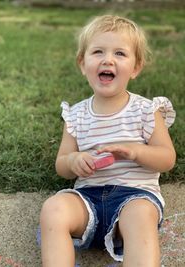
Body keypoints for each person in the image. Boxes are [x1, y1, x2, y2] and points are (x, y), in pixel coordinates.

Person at [39, 15, 176, 267]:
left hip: (134, 196)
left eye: (120, 54)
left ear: (136, 67)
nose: (108, 59)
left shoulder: (146, 110)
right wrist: (75, 160)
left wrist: (136, 152)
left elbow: (167, 158)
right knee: (53, 208)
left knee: (140, 216)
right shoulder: (76, 115)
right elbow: (61, 164)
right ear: (83, 63)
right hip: (87, 200)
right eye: (98, 51)